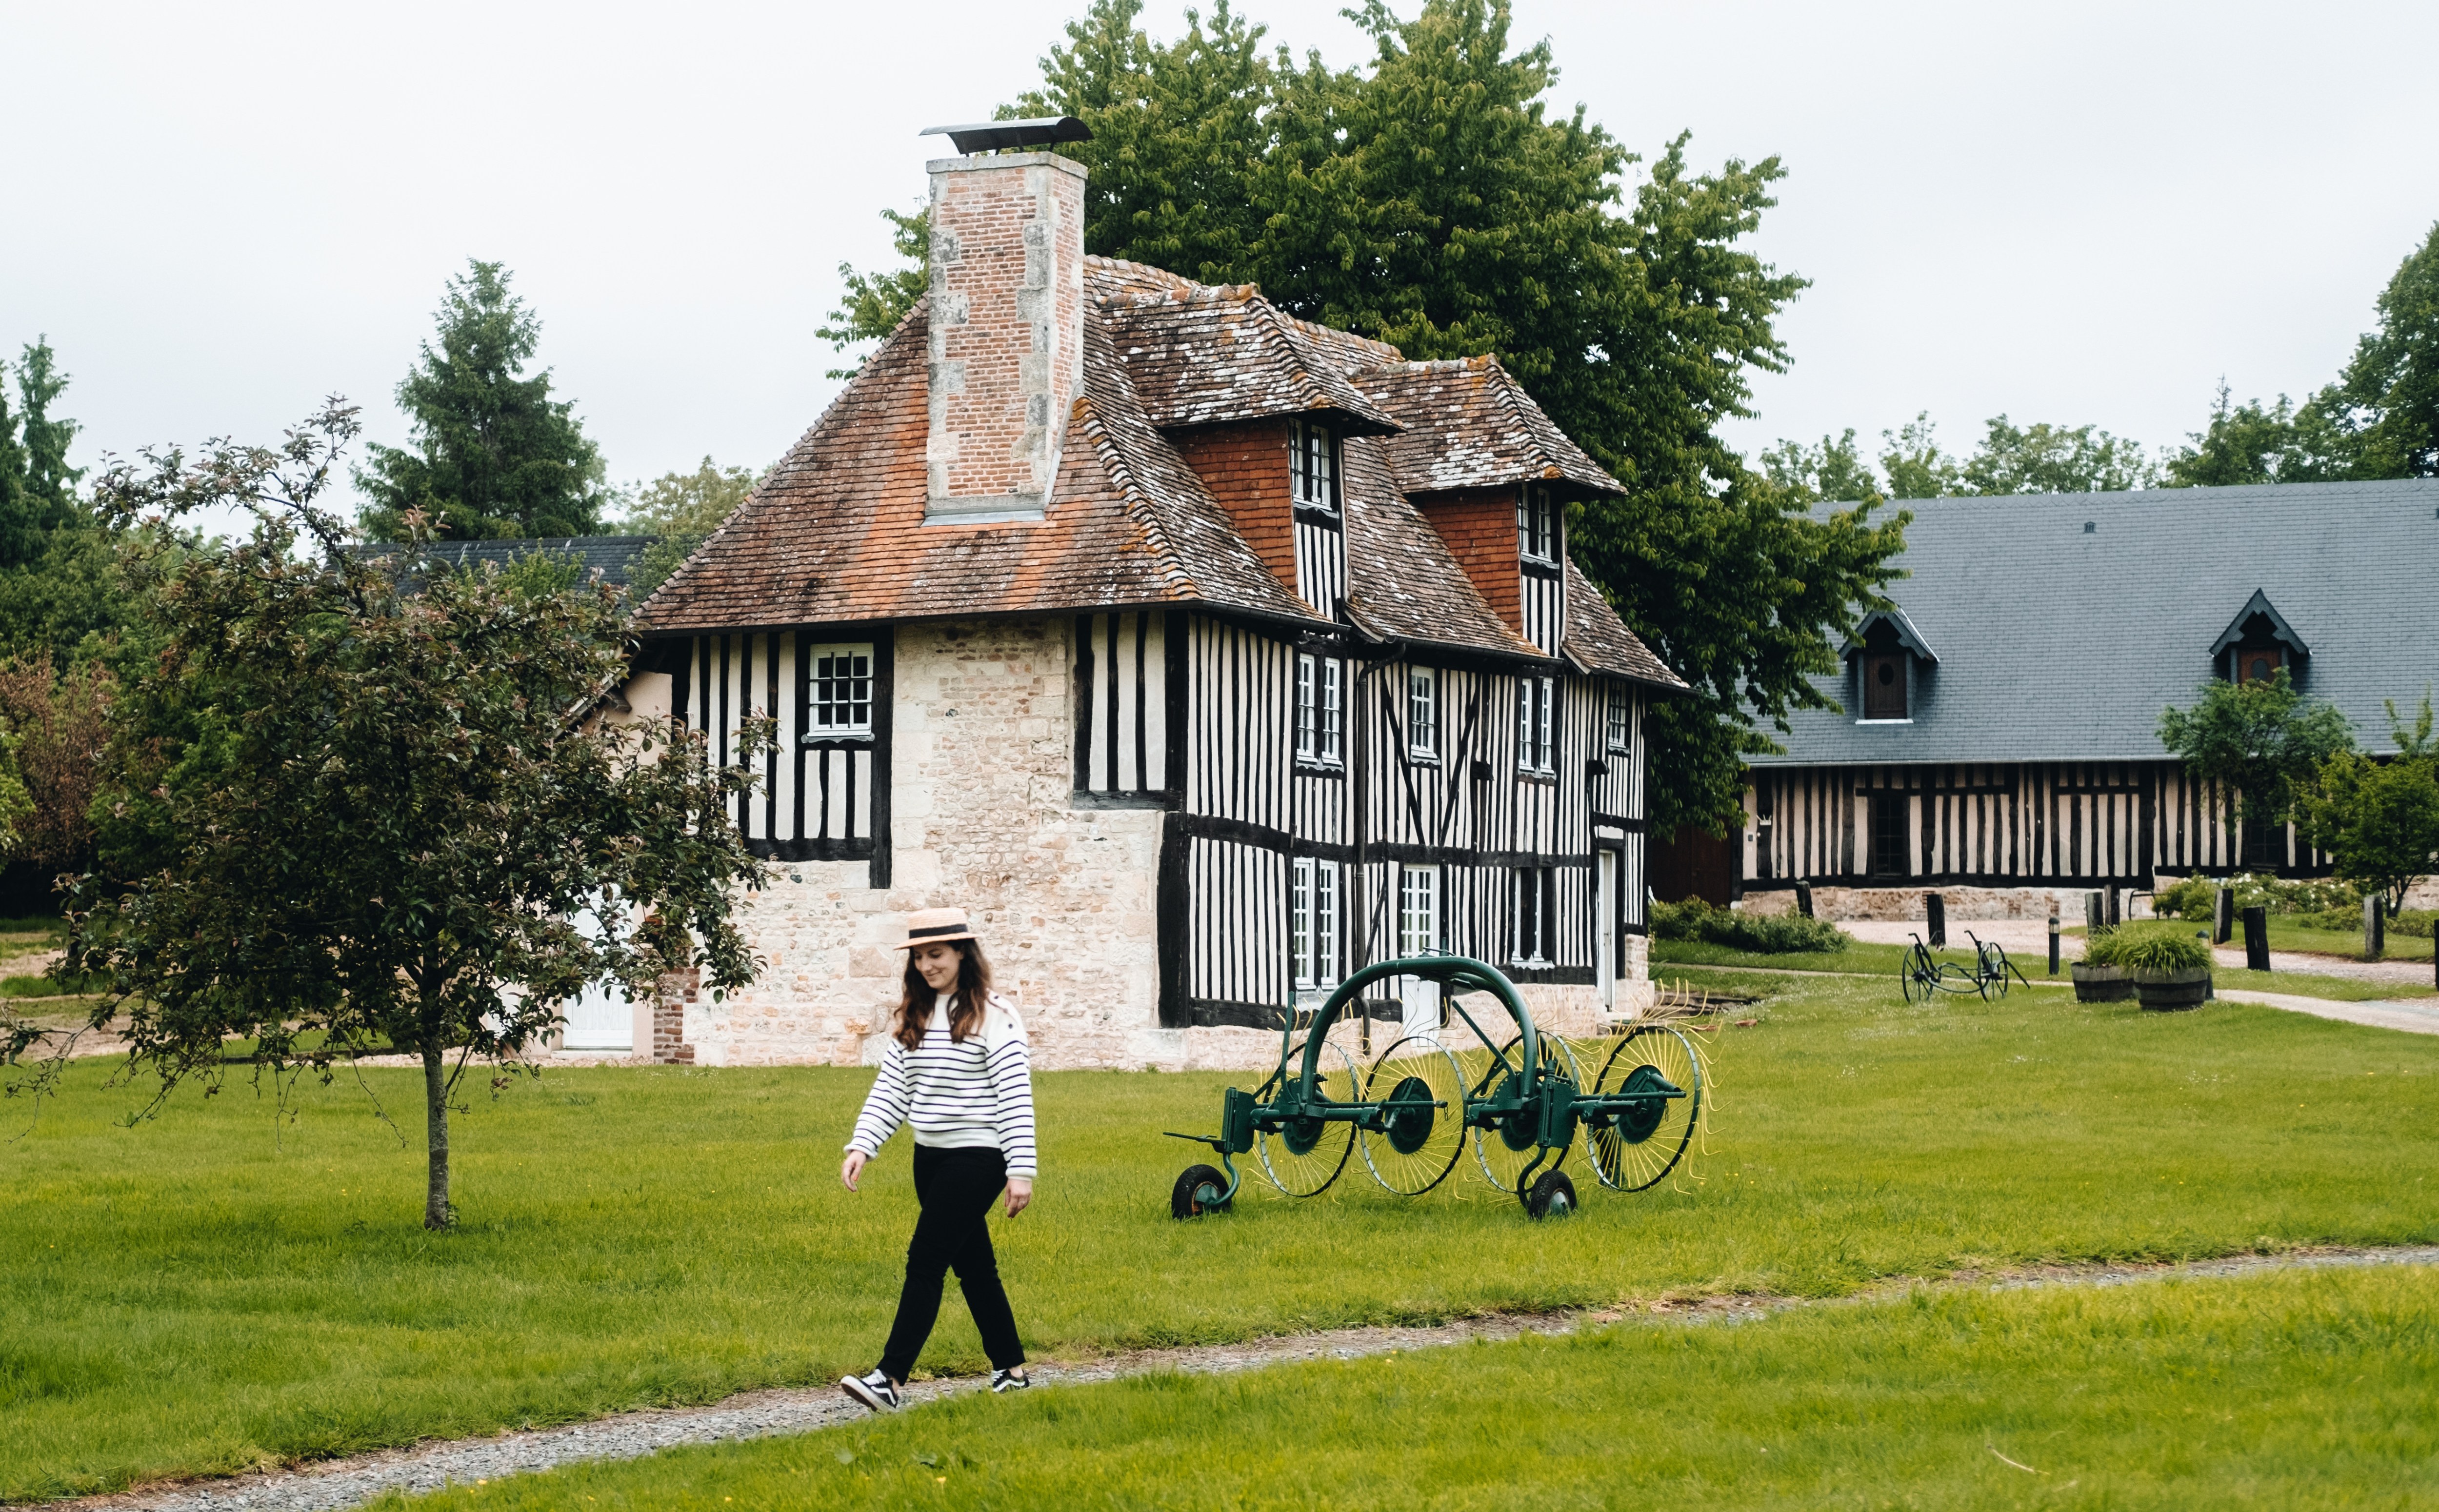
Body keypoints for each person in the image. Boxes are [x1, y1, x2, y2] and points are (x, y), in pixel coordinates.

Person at [839, 907, 1037, 1411]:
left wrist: (1020, 1170)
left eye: (938, 954)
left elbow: (1014, 1097)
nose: (928, 965)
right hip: (929, 1158)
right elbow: (892, 1089)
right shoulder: (915, 1014)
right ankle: (1010, 1369)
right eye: (920, 957)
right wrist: (863, 1144)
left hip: (980, 1158)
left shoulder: (996, 1015)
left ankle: (888, 1379)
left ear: (961, 954)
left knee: (925, 1260)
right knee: (975, 1267)